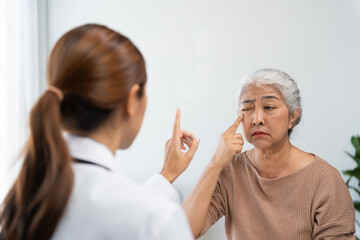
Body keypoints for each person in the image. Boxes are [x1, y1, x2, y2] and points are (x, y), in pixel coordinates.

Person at [0, 24, 200, 240]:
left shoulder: (22, 203)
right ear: (132, 99)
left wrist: (167, 174)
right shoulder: (158, 220)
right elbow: (132, 214)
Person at [182, 69, 355, 239]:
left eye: (269, 107)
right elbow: (184, 231)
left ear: (293, 117)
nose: (257, 119)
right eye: (248, 108)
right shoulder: (230, 170)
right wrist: (215, 164)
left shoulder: (325, 179)